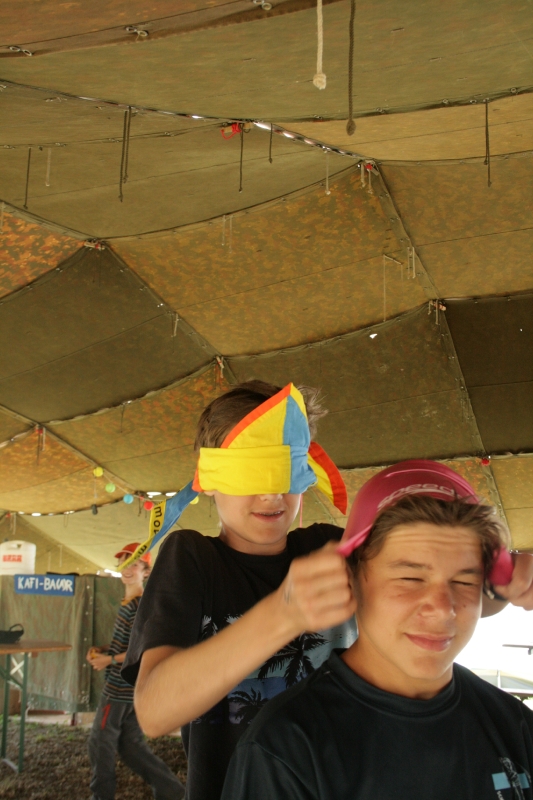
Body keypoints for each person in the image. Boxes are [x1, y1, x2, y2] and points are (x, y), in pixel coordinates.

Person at [123, 383, 533, 800]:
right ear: (208, 478)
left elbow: (431, 602)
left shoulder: (328, 547)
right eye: (250, 474)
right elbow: (155, 712)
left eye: (287, 472)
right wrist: (283, 614)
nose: (272, 494)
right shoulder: (192, 559)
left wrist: (506, 579)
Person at [221, 461, 533, 800]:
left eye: (464, 581)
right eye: (410, 578)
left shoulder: (516, 726)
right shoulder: (286, 748)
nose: (444, 608)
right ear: (350, 578)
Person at [87, 542, 184, 800]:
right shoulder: (129, 602)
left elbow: (142, 650)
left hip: (119, 688)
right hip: (128, 688)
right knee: (131, 746)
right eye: (124, 563)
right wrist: (103, 650)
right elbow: (128, 643)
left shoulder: (140, 605)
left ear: (145, 571)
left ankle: (101, 795)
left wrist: (108, 660)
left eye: (134, 564)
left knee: (100, 741)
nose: (127, 569)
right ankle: (172, 790)